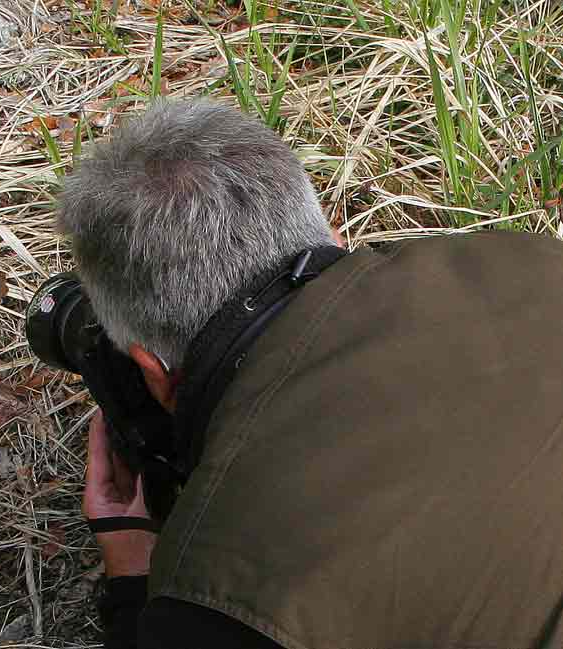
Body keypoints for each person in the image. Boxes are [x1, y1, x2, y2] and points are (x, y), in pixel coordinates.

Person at [57, 99, 563, 649]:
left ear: (153, 373)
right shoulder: (530, 256)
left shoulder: (219, 585)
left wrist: (136, 585)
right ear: (330, 236)